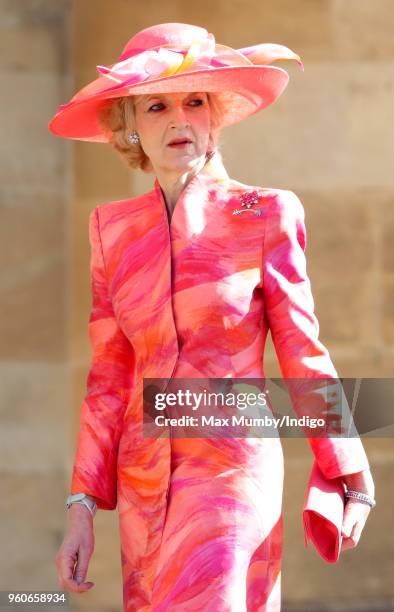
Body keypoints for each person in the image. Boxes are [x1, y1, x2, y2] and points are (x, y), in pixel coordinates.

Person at [49, 23, 376, 611]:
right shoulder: (110, 229)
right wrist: (81, 508)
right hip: (145, 484)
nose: (180, 119)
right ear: (131, 126)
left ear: (215, 114)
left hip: (232, 470)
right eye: (158, 105)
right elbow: (106, 381)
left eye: (195, 101)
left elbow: (303, 350)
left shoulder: (267, 212)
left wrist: (345, 463)